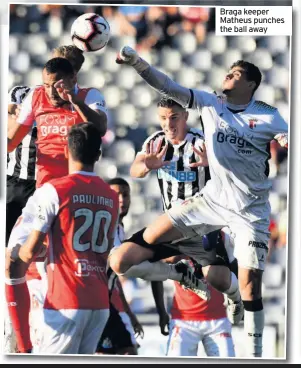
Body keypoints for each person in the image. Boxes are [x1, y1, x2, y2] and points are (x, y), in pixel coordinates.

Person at [112, 47, 288, 357]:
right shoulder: (211, 103)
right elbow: (167, 85)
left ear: (250, 85)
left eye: (235, 74)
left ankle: (257, 354)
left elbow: (288, 141)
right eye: (227, 72)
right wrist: (137, 63)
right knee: (131, 251)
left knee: (249, 285)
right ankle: (179, 273)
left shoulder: (268, 115)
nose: (227, 77)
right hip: (209, 203)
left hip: (249, 211)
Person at [5, 55, 108, 353]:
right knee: (12, 262)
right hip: (42, 198)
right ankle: (23, 349)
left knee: (60, 278)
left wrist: (73, 99)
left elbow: (100, 127)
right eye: (47, 84)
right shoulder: (37, 96)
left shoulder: (89, 96)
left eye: (56, 85)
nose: (51, 91)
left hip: (75, 200)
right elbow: (12, 139)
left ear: (73, 80)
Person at [96, 178, 143, 355]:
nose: (122, 199)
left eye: (125, 194)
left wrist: (130, 314)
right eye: (116, 195)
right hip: (94, 302)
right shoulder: (102, 226)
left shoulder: (120, 228)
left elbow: (115, 279)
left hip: (107, 302)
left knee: (128, 351)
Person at [152, 256, 235, 357]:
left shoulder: (218, 242)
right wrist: (161, 311)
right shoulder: (175, 245)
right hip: (183, 322)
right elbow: (155, 270)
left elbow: (237, 268)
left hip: (217, 322)